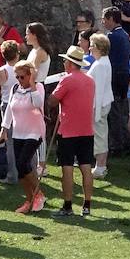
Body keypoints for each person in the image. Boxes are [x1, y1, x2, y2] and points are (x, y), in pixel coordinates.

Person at [49, 46, 97, 217]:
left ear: (69, 63)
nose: (63, 63)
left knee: (67, 167)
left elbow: (52, 101)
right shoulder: (90, 80)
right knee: (86, 166)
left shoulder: (67, 80)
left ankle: (68, 205)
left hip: (68, 130)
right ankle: (87, 205)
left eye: (65, 61)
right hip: (86, 129)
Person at [0, 61, 47, 214]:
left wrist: (32, 86)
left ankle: (38, 194)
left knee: (23, 162)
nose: (19, 80)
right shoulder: (15, 88)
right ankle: (29, 198)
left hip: (34, 131)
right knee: (20, 168)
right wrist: (3, 129)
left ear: (30, 75)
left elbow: (38, 103)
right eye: (17, 77)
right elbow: (10, 110)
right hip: (19, 131)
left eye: (22, 77)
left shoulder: (38, 88)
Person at [101, 6, 130, 157]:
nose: (103, 22)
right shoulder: (124, 34)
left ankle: (118, 145)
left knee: (114, 112)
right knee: (120, 111)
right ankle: (126, 142)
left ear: (111, 19)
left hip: (114, 77)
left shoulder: (112, 37)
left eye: (105, 19)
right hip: (123, 76)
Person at [86, 33, 114, 178]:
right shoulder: (101, 62)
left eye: (92, 45)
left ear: (97, 47)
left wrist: (95, 112)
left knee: (100, 136)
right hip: (99, 104)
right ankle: (99, 165)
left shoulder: (101, 64)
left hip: (99, 104)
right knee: (99, 135)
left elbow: (99, 89)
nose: (90, 48)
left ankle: (101, 167)